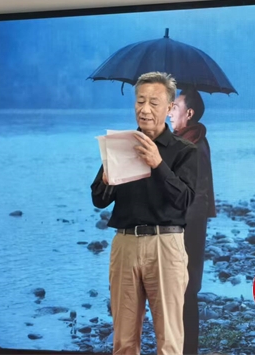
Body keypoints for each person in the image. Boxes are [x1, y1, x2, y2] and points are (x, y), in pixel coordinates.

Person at [91, 72, 198, 355]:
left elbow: (185, 200)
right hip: (125, 244)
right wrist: (107, 178)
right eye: (140, 101)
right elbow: (99, 200)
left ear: (170, 107)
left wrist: (158, 164)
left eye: (153, 102)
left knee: (169, 341)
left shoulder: (184, 150)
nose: (145, 109)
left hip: (166, 245)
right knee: (124, 341)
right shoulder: (120, 144)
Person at [168, 88, 216, 355]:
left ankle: (186, 350)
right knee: (183, 293)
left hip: (186, 229)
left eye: (174, 107)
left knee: (184, 293)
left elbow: (196, 195)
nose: (169, 111)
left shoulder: (193, 145)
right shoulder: (188, 141)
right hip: (187, 226)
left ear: (189, 113)